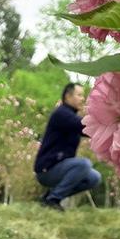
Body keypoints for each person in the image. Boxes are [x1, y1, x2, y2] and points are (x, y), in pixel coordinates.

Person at [34, 82, 101, 210]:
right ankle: (53, 200)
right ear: (68, 96)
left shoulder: (70, 116)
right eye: (79, 95)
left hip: (61, 168)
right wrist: (106, 122)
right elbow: (84, 127)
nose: (82, 99)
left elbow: (87, 130)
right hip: (47, 170)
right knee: (84, 164)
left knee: (94, 178)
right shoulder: (61, 114)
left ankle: (49, 197)